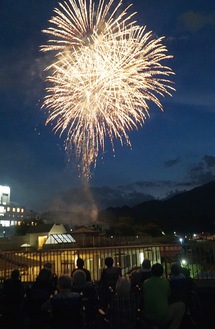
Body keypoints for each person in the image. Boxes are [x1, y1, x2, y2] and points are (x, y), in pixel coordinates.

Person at [141, 263, 185, 329]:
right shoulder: (165, 282)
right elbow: (169, 295)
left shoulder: (145, 283)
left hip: (148, 316)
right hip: (162, 316)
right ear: (162, 273)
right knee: (181, 306)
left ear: (152, 271)